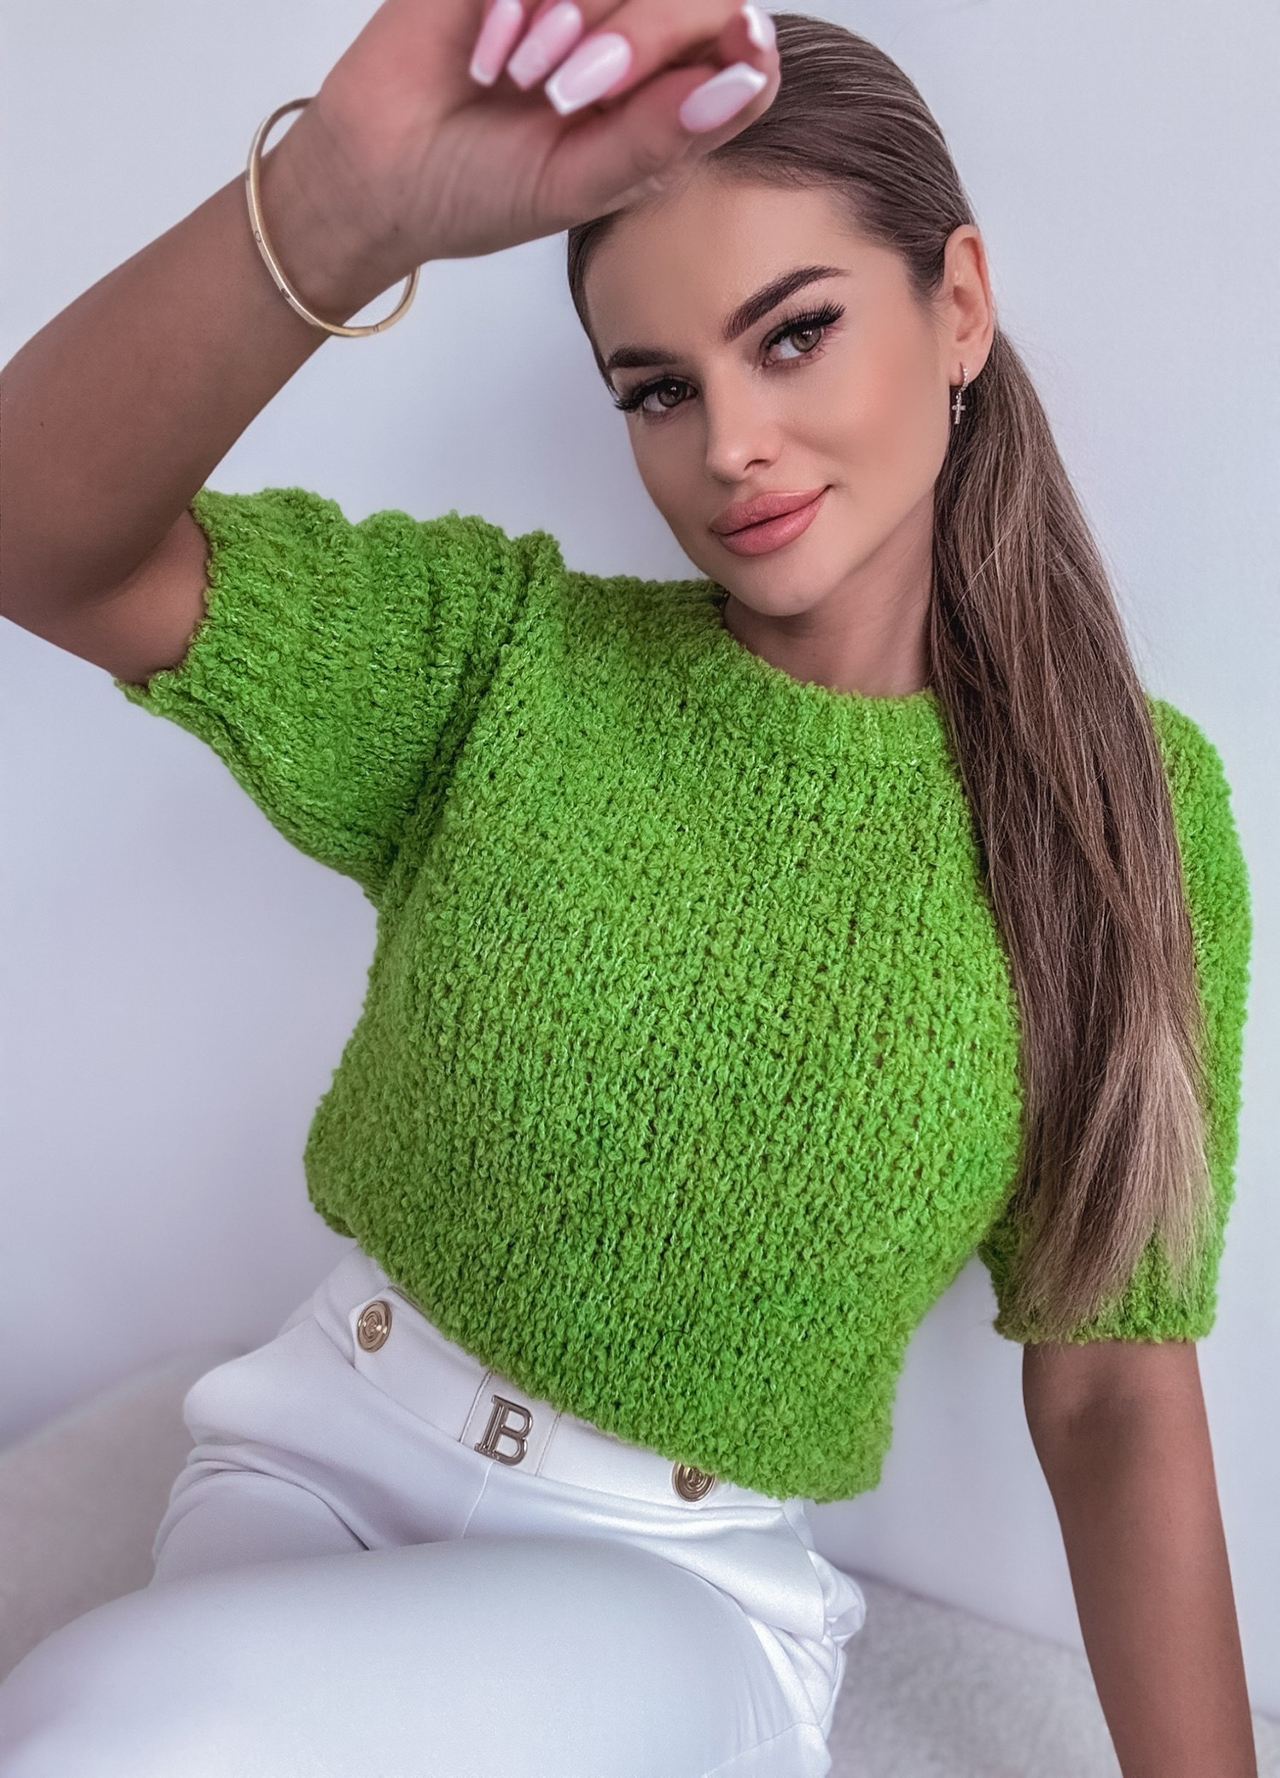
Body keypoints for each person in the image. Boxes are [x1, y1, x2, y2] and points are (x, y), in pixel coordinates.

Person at [0, 2, 1257, 1774]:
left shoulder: (1127, 812)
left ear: (959, 304)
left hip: (673, 1589)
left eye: (795, 334)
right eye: (658, 388)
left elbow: (1117, 1385)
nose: (729, 440)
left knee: (110, 1722)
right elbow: (42, 537)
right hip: (317, 1464)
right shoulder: (506, 660)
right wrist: (341, 196)